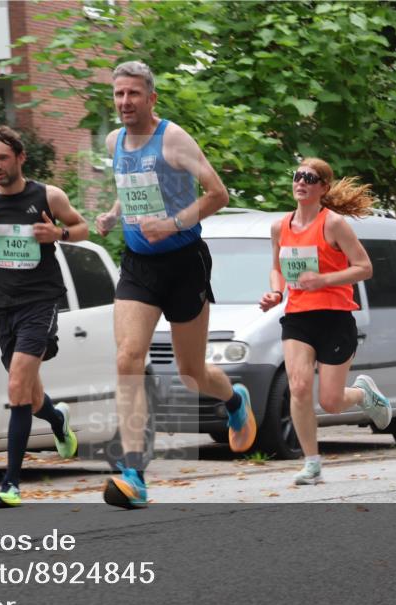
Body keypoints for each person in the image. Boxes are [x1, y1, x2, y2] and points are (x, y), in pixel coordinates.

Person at [95, 61, 257, 509]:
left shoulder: (174, 139)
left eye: (132, 94)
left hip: (185, 264)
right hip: (138, 267)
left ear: (151, 98)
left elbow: (218, 194)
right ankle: (133, 472)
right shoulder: (115, 142)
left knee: (191, 373)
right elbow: (132, 186)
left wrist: (173, 223)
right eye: (118, 95)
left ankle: (233, 398)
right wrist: (114, 214)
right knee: (128, 357)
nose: (124, 102)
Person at [0, 125, 89, 507]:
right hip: (3, 307)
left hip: (40, 303)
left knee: (16, 387)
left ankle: (11, 484)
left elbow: (82, 227)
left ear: (20, 158)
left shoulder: (47, 195)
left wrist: (56, 234)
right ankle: (57, 420)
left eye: (3, 158)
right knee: (29, 391)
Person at [259, 158, 392, 485]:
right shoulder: (280, 227)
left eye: (310, 177)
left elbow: (364, 268)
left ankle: (363, 394)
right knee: (299, 387)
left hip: (334, 318)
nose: (301, 181)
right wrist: (276, 293)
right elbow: (277, 267)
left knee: (331, 403)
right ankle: (312, 462)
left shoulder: (333, 225)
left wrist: (324, 280)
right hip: (298, 318)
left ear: (323, 188)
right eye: (298, 176)